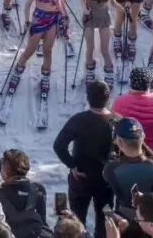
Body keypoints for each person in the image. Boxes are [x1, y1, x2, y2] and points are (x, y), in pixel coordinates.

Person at [52, 81, 115, 238]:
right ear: (108, 98)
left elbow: (59, 145)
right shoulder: (116, 122)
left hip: (81, 177)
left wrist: (72, 165)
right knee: (104, 221)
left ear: (88, 98)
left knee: (76, 220)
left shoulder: (78, 120)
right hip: (106, 180)